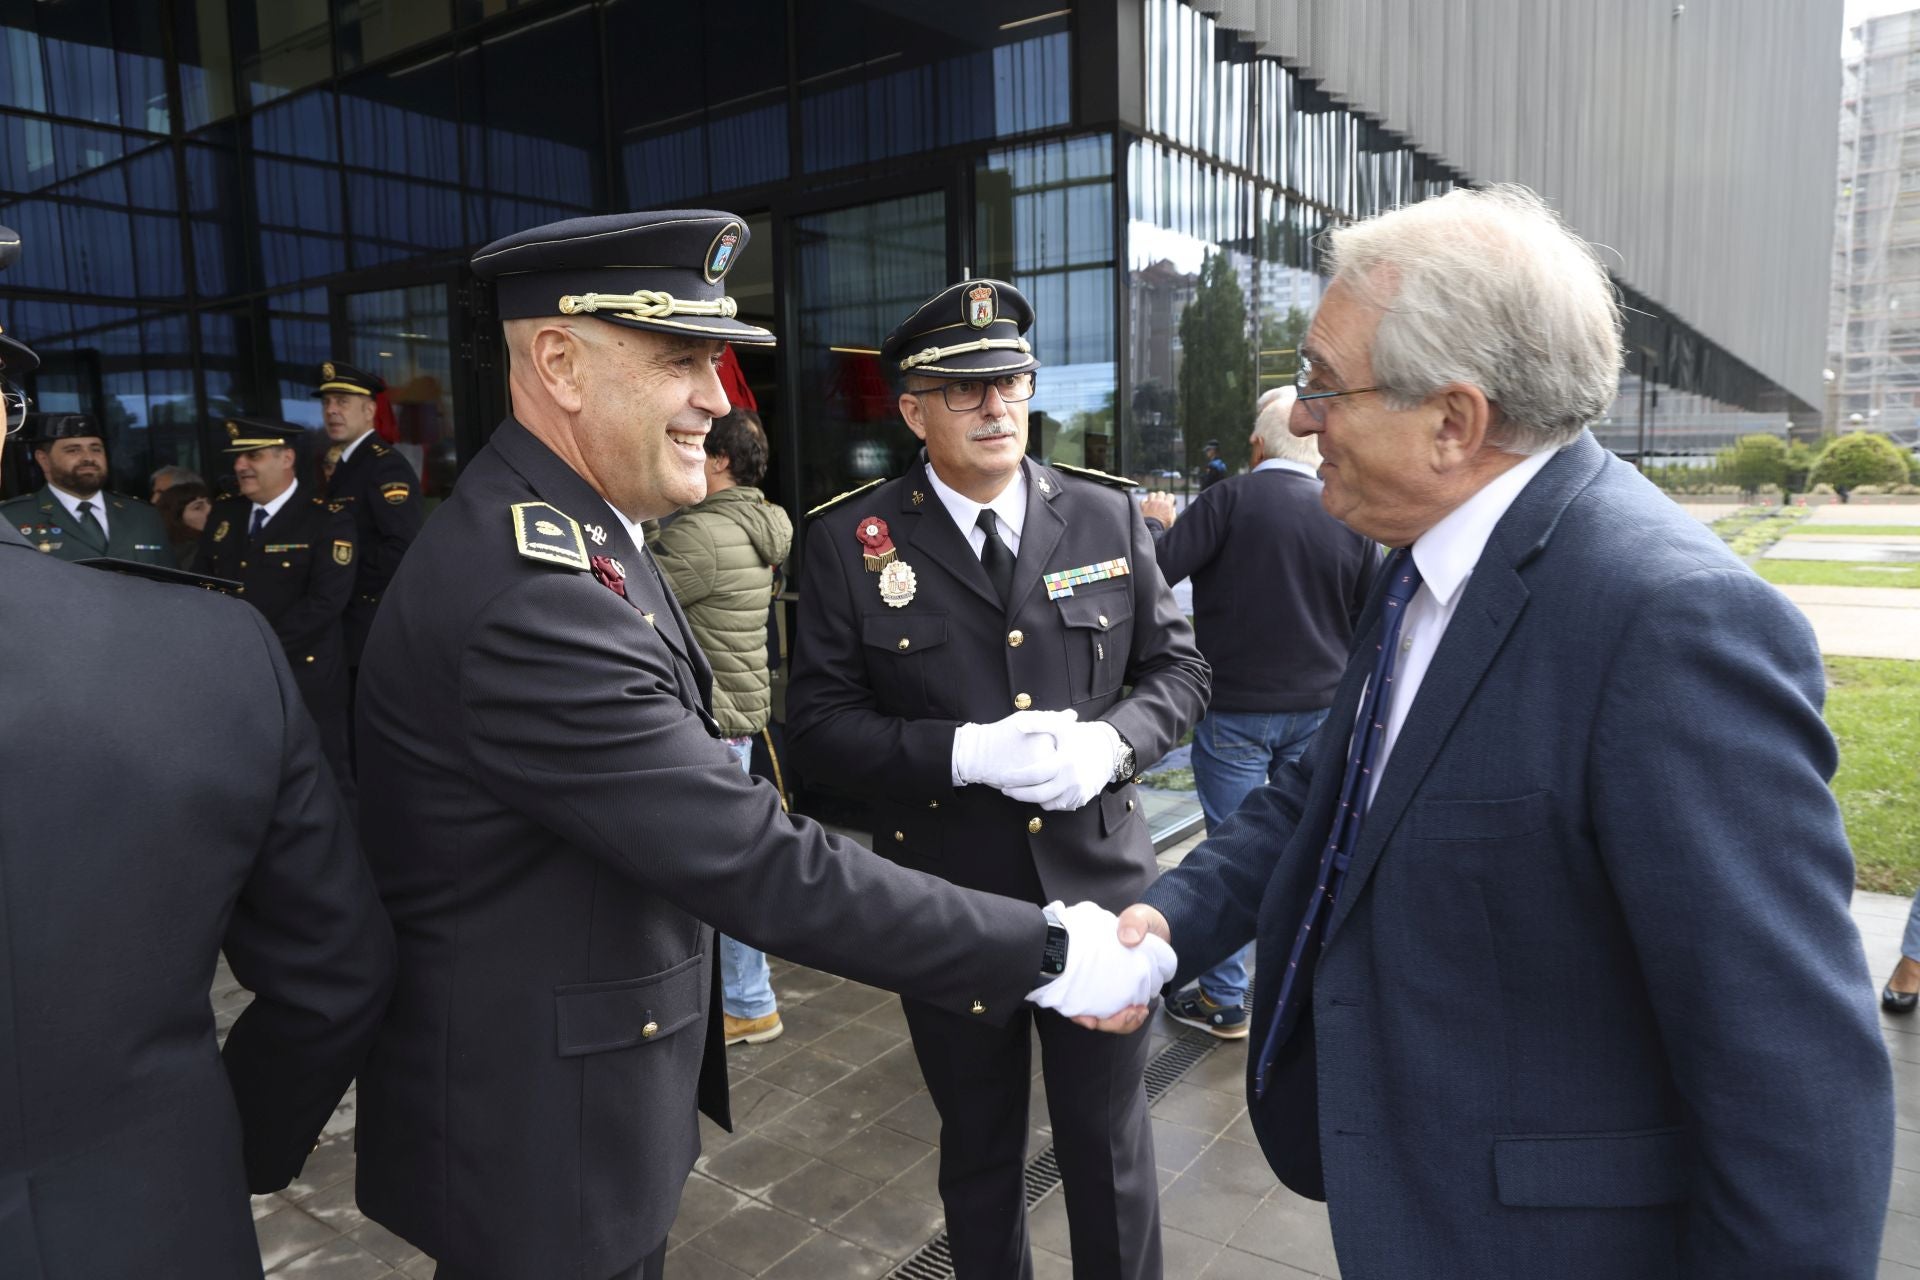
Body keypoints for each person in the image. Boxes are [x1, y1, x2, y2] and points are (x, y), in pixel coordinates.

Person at [351, 210, 1173, 1280]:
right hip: (540, 1130)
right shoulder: (535, 591)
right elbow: (760, 857)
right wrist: (1055, 949)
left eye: (717, 363)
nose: (717, 398)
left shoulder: (591, 536)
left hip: (569, 1112)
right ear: (557, 361)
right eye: (682, 359)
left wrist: (1107, 749)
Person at [1094, 185, 1894, 1278]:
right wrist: (1170, 921)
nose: (1302, 415)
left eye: (1324, 385)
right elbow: (1328, 795)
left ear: (1453, 422)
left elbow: (1793, 1080)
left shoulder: (1670, 623)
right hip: (1422, 1208)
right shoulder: (1419, 560)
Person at [786, 276, 1210, 1280]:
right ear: (914, 407)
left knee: (1109, 1146)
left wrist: (1115, 744)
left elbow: (1182, 672)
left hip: (1098, 893)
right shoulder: (850, 542)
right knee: (978, 1152)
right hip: (947, 897)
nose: (995, 406)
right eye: (965, 388)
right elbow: (816, 731)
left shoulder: (1105, 517)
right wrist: (960, 751)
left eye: (1012, 381)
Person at [0, 226, 395, 1279]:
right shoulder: (202, 638)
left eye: (259, 451)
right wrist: (226, 1151)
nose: (248, 464)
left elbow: (329, 601)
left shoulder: (324, 518)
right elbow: (336, 969)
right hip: (149, 1213)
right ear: (7, 421)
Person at [1139, 387, 1380, 1038]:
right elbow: (1369, 617)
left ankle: (1226, 1000)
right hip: (1321, 711)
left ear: (1255, 444)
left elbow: (1155, 573)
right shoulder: (1347, 511)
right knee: (1304, 843)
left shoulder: (1228, 500)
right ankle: (1295, 985)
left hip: (1238, 710)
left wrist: (1156, 524)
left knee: (1232, 851)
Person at [646, 406, 793, 1047]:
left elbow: (624, 594)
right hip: (739, 718)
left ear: (722, 463)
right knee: (734, 867)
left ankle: (749, 1001)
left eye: (700, 447)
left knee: (721, 876)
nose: (689, 457)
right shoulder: (759, 525)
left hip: (711, 724)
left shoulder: (702, 535)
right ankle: (748, 998)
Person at [199, 417, 358, 796]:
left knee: (326, 785)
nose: (240, 466)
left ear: (286, 458)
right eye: (238, 457)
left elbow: (325, 604)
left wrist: (256, 647)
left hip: (304, 678)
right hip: (235, 676)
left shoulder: (327, 519)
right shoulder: (227, 513)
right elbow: (200, 584)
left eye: (252, 455)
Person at [315, 360, 424, 677]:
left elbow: (402, 546)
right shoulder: (347, 465)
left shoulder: (383, 466)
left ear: (368, 410)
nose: (332, 410)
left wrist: (342, 578)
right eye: (327, 402)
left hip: (370, 619)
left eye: (343, 402)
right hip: (348, 618)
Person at [0, 413, 172, 565]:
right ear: (44, 459)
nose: (89, 458)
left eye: (96, 449)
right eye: (73, 450)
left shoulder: (143, 515)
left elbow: (172, 587)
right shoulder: (11, 518)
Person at [156, 477, 213, 569]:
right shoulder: (192, 553)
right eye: (198, 508)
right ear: (176, 518)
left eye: (210, 503)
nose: (210, 510)